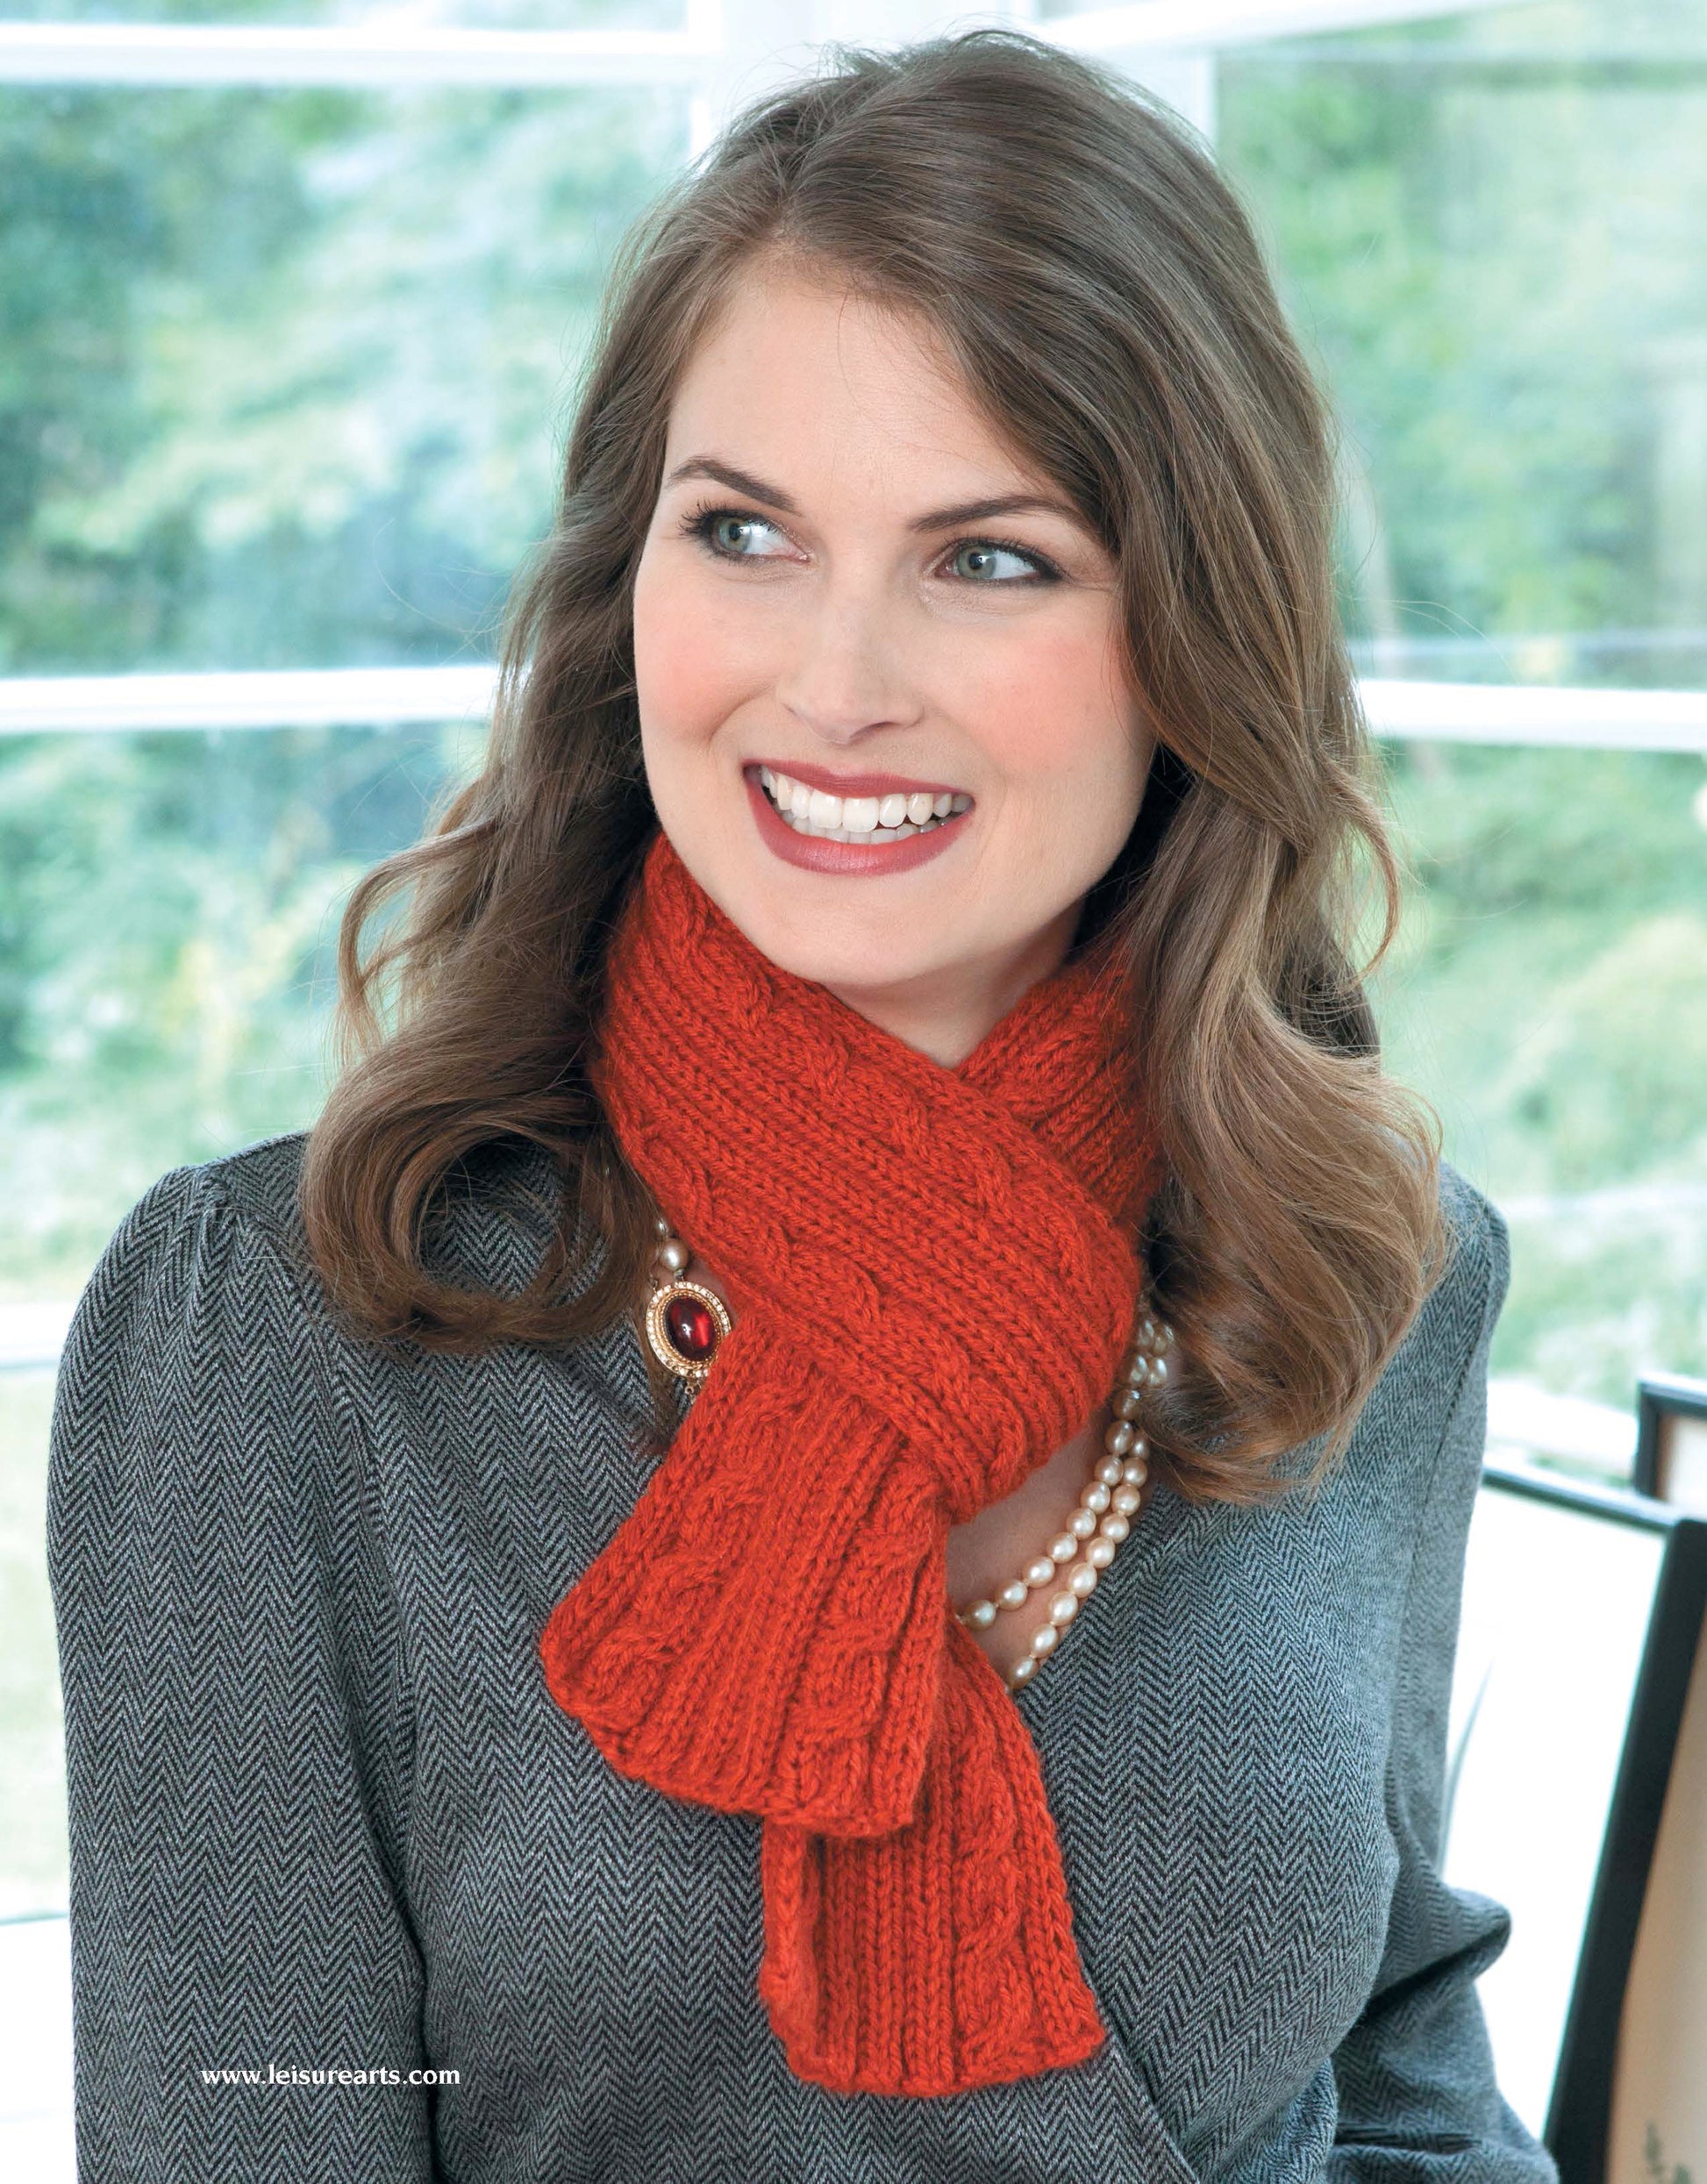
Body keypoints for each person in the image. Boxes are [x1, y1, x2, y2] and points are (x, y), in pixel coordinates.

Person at [46, 28, 1558, 2184]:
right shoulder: (292, 1329)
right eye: (742, 530)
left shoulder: (1369, 1281)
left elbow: (1396, 2060)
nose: (836, 680)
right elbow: (245, 2137)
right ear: (623, 586)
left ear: (1191, 637)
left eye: (992, 558)